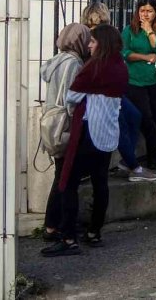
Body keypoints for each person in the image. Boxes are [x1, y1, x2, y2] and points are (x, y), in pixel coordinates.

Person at [41, 25, 128, 257]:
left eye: (93, 41)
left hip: (87, 133)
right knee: (101, 184)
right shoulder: (121, 66)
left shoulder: (94, 67)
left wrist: (88, 95)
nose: (89, 45)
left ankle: (68, 238)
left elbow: (72, 95)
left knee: (68, 183)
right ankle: (94, 232)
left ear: (102, 43)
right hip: (108, 133)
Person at [40, 24, 90, 244]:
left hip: (53, 122)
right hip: (66, 126)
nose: (89, 43)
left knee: (60, 176)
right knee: (65, 178)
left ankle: (51, 225)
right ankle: (54, 226)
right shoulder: (73, 63)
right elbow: (72, 97)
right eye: (86, 39)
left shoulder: (57, 60)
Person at [122, 0, 156, 170]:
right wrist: (144, 57)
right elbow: (124, 52)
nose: (145, 14)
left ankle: (153, 157)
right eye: (142, 10)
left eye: (149, 11)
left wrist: (149, 30)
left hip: (155, 80)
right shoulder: (129, 30)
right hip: (134, 81)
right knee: (145, 118)